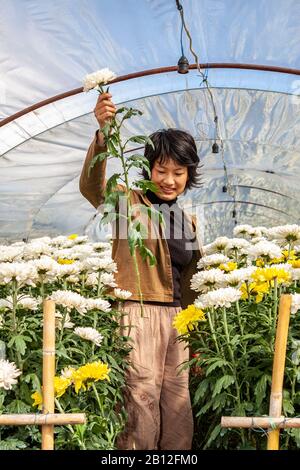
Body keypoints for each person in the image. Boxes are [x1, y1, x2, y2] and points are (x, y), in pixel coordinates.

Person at [79, 92, 203, 450]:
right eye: (161, 170)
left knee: (178, 405)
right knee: (140, 400)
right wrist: (103, 134)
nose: (169, 179)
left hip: (178, 321)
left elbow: (191, 281)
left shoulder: (187, 220)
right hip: (138, 311)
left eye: (178, 172)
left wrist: (196, 337)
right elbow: (92, 187)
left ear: (188, 175)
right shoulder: (127, 201)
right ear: (148, 169)